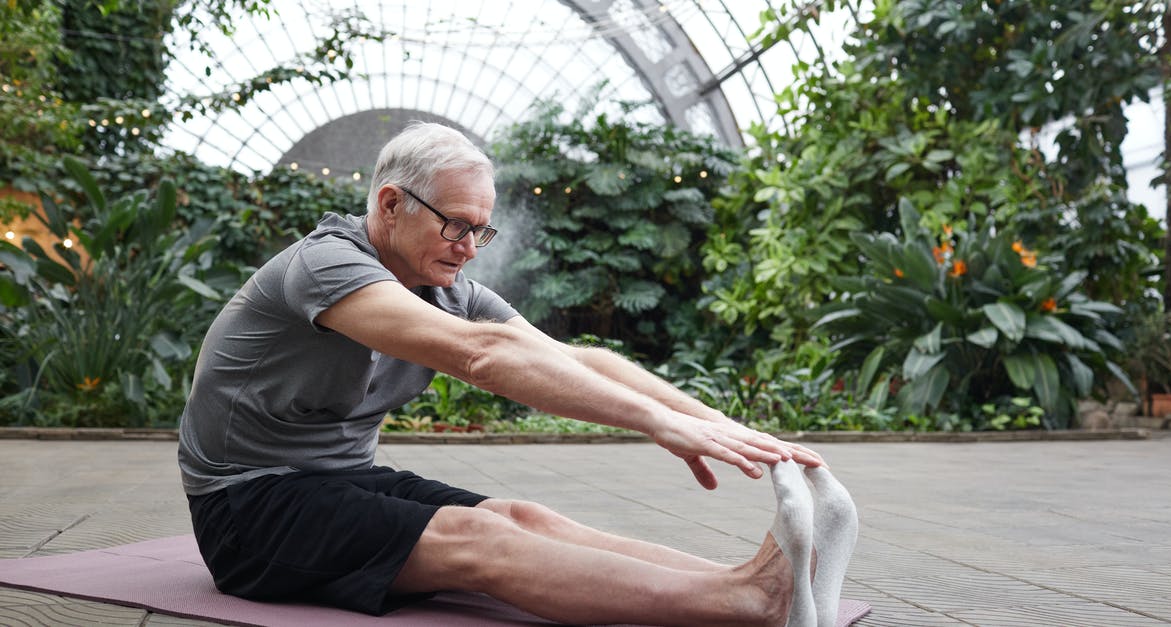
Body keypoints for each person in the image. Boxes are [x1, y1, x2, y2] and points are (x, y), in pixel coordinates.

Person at [178, 121, 858, 627]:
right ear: (390, 204)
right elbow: (482, 357)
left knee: (519, 514)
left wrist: (717, 426)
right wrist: (655, 422)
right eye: (456, 226)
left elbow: (577, 360)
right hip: (247, 509)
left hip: (338, 481)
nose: (470, 248)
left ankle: (767, 582)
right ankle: (748, 602)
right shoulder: (326, 265)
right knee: (479, 539)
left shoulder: (445, 284)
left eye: (482, 230)